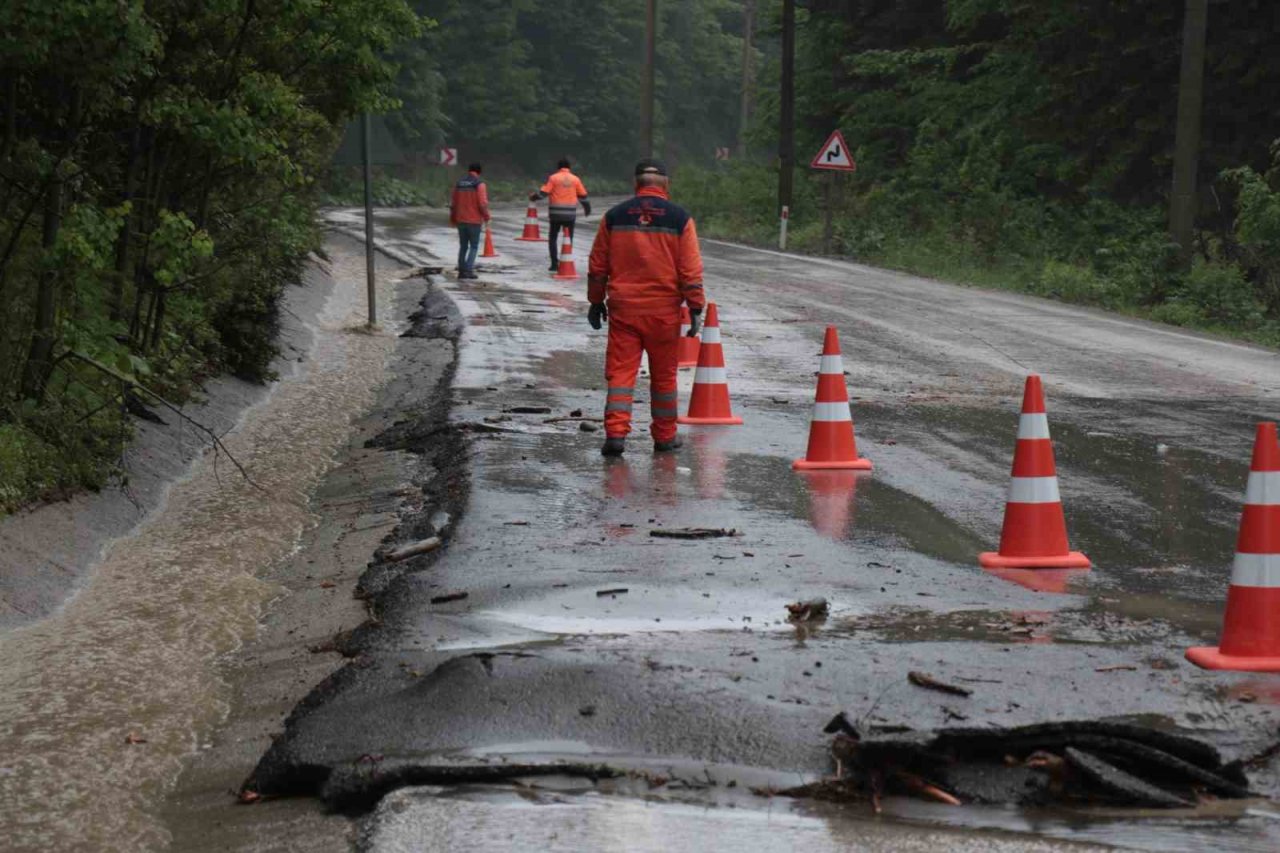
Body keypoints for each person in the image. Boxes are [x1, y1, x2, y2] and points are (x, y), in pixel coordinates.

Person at [586, 158, 704, 456]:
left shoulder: (614, 216)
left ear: (635, 184)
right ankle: (665, 436)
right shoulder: (680, 219)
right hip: (663, 312)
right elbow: (690, 269)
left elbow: (598, 265)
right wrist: (696, 307)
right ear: (667, 185)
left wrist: (595, 300)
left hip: (624, 310)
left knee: (621, 374)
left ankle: (615, 434)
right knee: (664, 376)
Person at [530, 157, 590, 271]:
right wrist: (587, 208)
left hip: (555, 214)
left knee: (553, 237)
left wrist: (534, 197)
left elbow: (543, 193)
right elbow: (583, 196)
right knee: (568, 238)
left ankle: (554, 264)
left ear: (558, 167)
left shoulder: (553, 178)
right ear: (569, 168)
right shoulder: (575, 179)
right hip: (570, 214)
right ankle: (565, 261)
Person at [450, 162, 490, 280]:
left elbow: (453, 203)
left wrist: (453, 218)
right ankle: (468, 270)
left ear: (469, 170)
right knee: (473, 246)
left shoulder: (459, 183)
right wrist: (486, 216)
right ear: (479, 172)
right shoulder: (479, 184)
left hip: (460, 220)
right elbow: (482, 204)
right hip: (474, 221)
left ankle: (461, 271)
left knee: (463, 246)